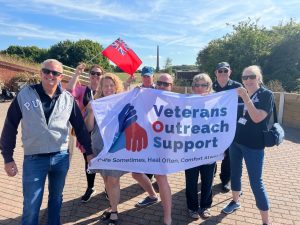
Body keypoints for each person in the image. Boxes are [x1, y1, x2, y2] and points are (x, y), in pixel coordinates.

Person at [0, 59, 93, 225]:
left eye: (55, 73)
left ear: (61, 77)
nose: (50, 75)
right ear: (41, 73)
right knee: (31, 205)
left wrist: (89, 152)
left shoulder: (67, 99)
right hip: (34, 159)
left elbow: (79, 127)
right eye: (47, 71)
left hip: (61, 157)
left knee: (56, 200)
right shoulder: (25, 94)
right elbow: (10, 126)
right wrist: (7, 157)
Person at [222, 65, 273, 225]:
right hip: (236, 142)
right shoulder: (238, 94)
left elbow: (258, 118)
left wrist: (246, 98)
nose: (248, 80)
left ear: (259, 78)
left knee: (256, 182)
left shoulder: (266, 95)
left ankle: (265, 220)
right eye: (245, 77)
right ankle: (235, 201)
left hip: (254, 145)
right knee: (235, 174)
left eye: (252, 76)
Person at [66, 63, 103, 202]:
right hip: (85, 133)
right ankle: (90, 187)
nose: (95, 76)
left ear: (101, 76)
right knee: (88, 162)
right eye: (93, 73)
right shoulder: (83, 90)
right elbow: (69, 91)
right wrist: (76, 73)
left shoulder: (105, 91)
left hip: (101, 134)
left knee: (104, 161)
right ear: (89, 75)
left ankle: (107, 187)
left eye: (98, 74)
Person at [185, 73, 216, 219]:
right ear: (193, 87)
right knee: (191, 181)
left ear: (209, 86)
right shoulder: (186, 102)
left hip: (209, 148)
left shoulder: (216, 102)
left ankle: (205, 206)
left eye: (203, 85)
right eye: (196, 85)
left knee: (207, 180)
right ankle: (192, 207)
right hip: (191, 148)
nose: (199, 88)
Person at [212, 62, 242, 192]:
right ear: (216, 73)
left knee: (228, 155)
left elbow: (242, 107)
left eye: (225, 71)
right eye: (220, 71)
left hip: (230, 127)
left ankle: (225, 180)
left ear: (230, 72)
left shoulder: (237, 86)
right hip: (212, 126)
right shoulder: (210, 86)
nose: (223, 73)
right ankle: (210, 175)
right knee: (211, 151)